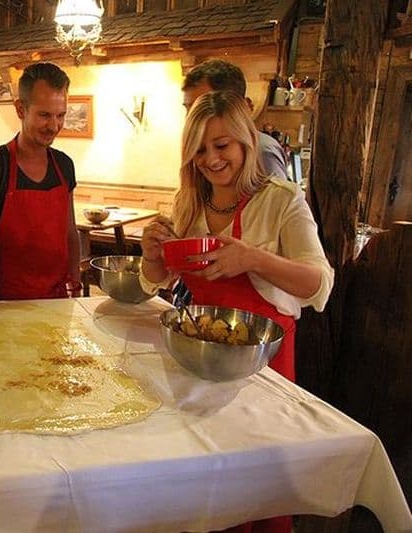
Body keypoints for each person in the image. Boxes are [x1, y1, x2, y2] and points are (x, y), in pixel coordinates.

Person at [140, 92, 334, 532]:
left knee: (257, 488)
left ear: (246, 142)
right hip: (197, 366)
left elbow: (319, 283)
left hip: (262, 370)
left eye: (221, 145)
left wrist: (253, 259)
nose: (211, 159)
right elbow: (162, 280)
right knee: (207, 485)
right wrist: (153, 254)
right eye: (200, 149)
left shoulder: (282, 201)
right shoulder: (188, 203)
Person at [0, 62, 81, 300]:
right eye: (44, 115)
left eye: (61, 115)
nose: (54, 126)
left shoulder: (64, 166)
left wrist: (75, 290)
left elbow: (70, 234)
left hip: (57, 303)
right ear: (20, 109)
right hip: (7, 305)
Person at [182, 59, 290, 180]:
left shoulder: (262, 151)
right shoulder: (199, 157)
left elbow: (274, 197)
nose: (192, 119)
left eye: (204, 108)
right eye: (189, 109)